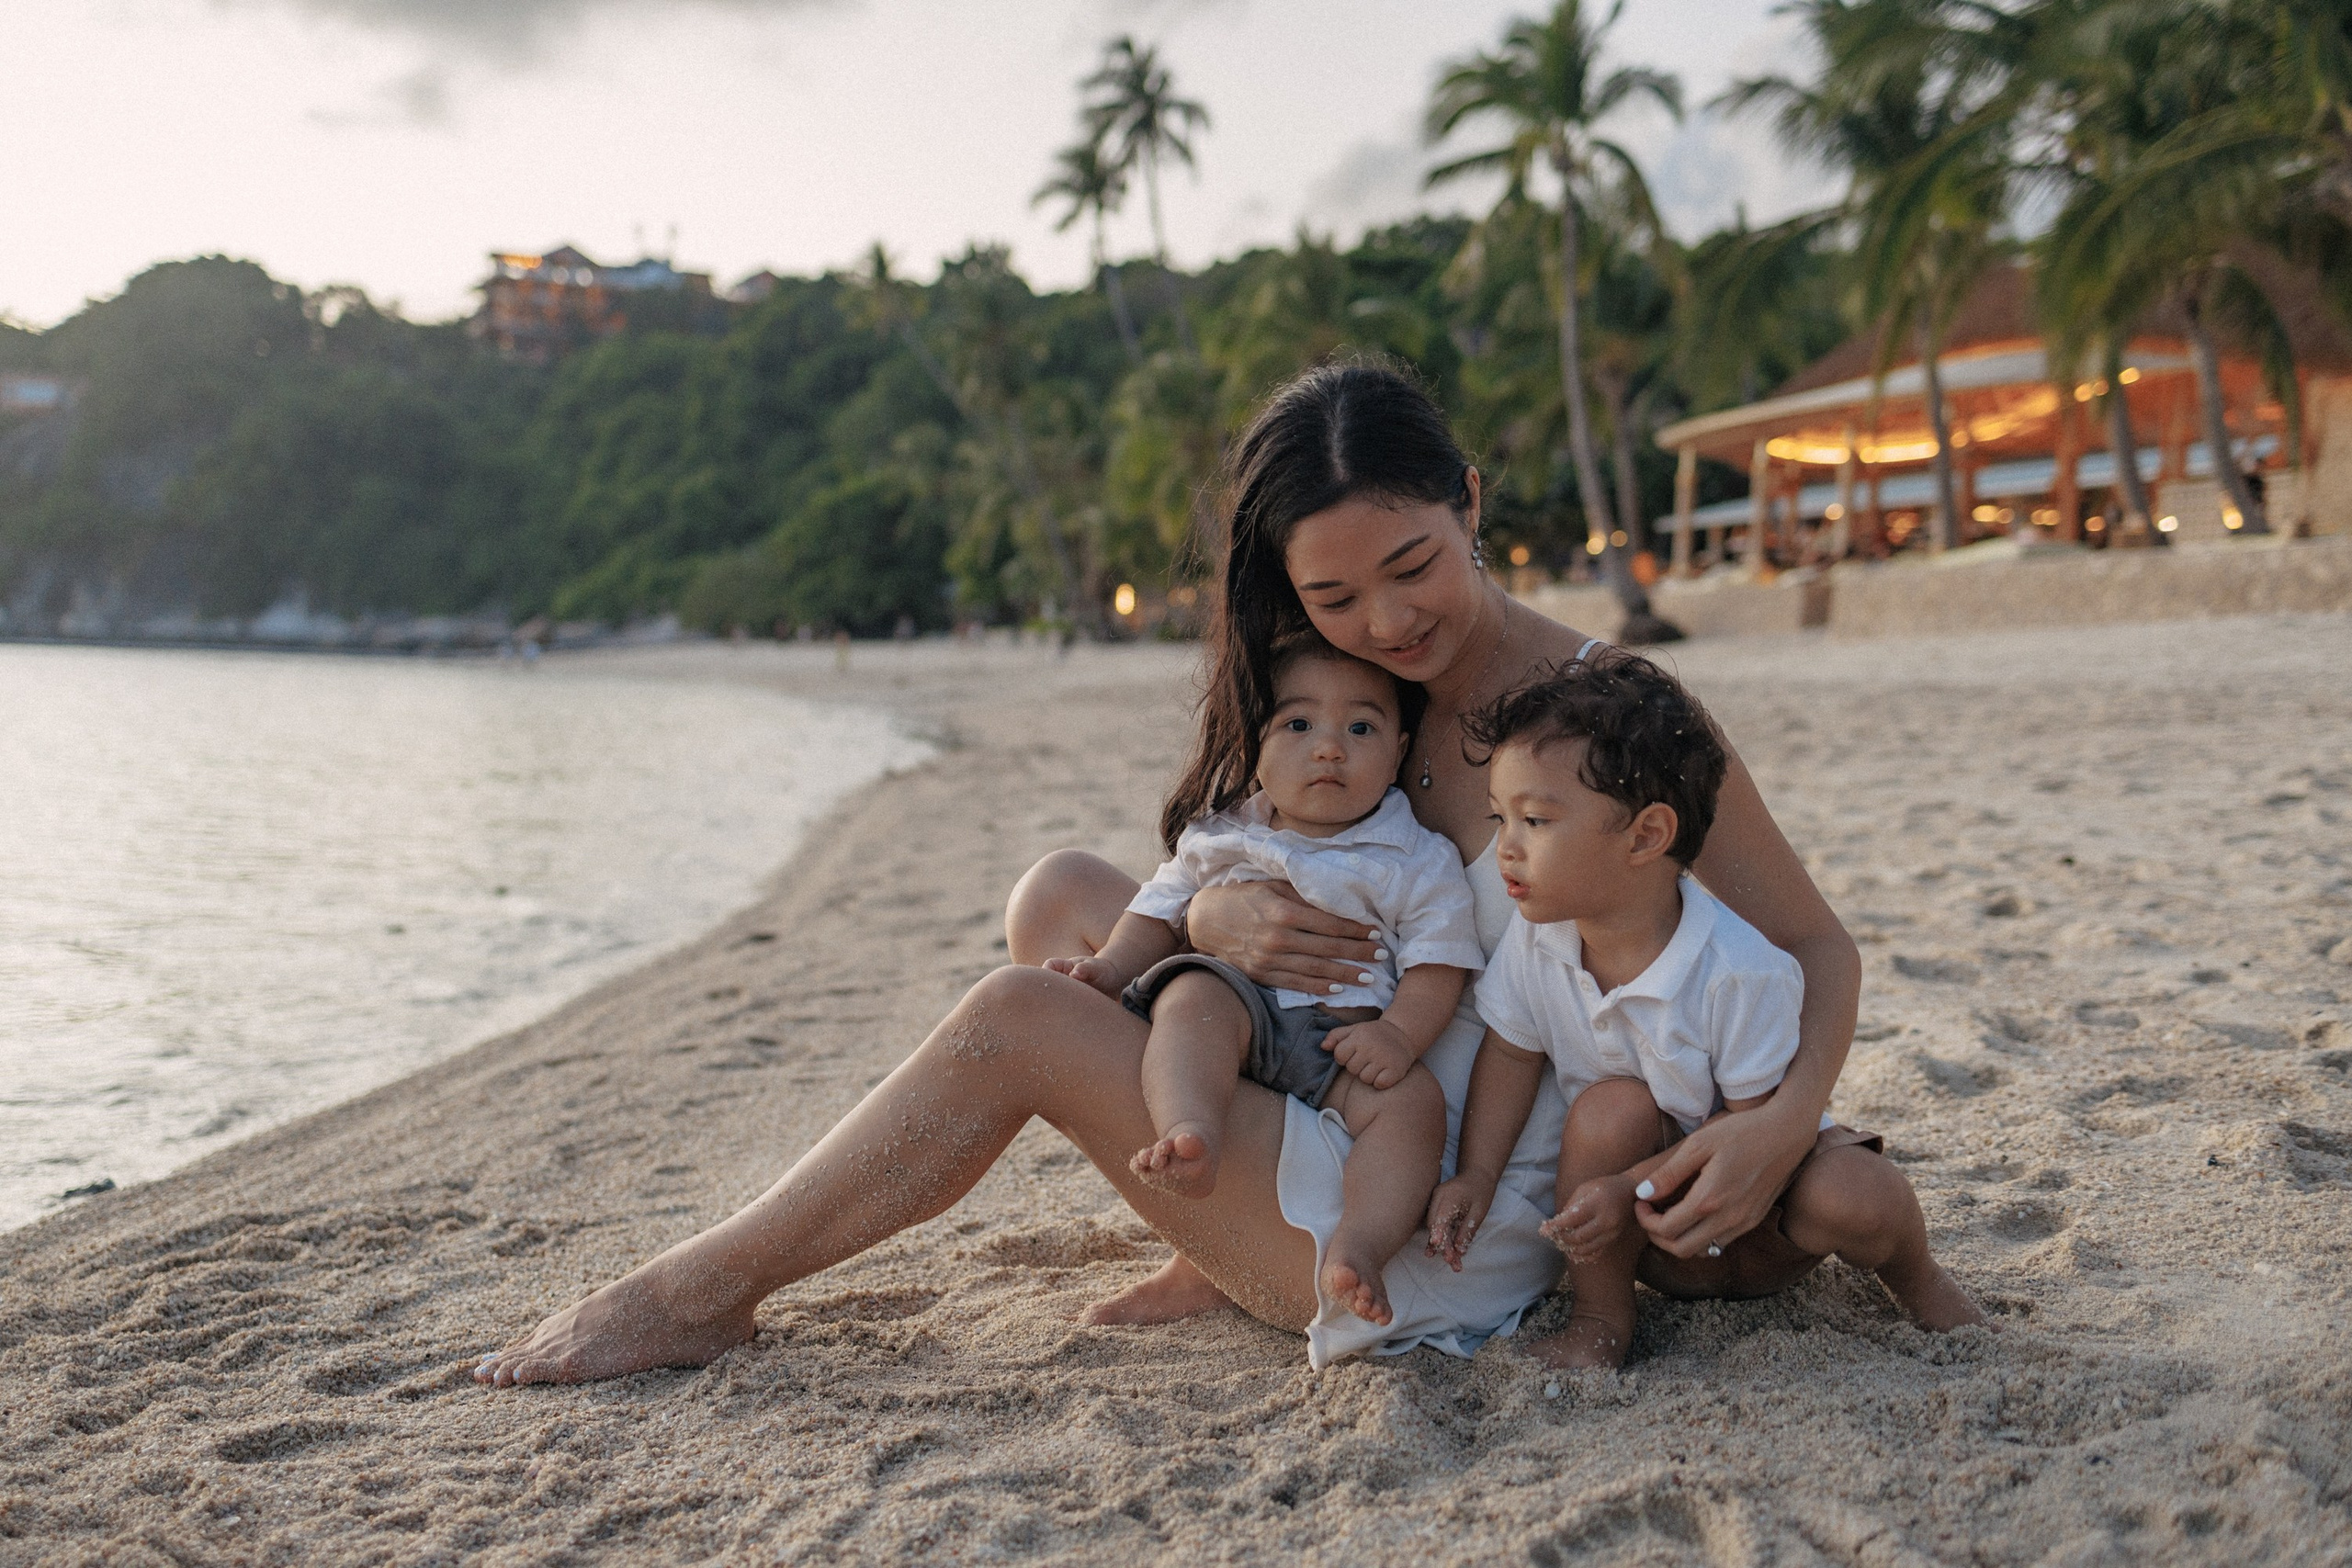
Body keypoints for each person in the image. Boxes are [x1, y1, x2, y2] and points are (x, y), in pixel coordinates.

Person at [472, 361, 1885, 1387]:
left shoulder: (1610, 716)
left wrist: (1781, 1127)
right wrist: (1211, 911)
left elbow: (1818, 947)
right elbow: (1228, 861)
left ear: (1469, 501)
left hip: (1435, 1195)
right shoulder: (1346, 696)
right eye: (1334, 597)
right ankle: (1209, 1233)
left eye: (1413, 566)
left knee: (1019, 1014)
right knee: (1062, 897)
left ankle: (703, 1288)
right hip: (1318, 1070)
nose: (1388, 621)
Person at [1423, 655, 1982, 1370]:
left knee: (1858, 1192)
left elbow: (1755, 1133)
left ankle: (1920, 1279)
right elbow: (1509, 1052)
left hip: (1768, 1218)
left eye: (1534, 820)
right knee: (1606, 1111)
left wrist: (1627, 1185)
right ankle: (1600, 1318)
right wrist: (1476, 1174)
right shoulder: (1538, 942)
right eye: (1499, 817)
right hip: (1653, 1240)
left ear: (1646, 835)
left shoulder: (1737, 968)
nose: (1505, 846)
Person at [1047, 633, 1482, 1328]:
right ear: (1255, 743)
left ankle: (1360, 1245)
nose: (1329, 747)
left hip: (1341, 1042)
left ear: (1399, 749)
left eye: (1361, 728)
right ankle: (1191, 1131)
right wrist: (1113, 964)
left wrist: (1400, 1035)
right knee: (1190, 1000)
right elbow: (1158, 908)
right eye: (1299, 723)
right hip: (1238, 1004)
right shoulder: (1223, 833)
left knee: (1415, 1106)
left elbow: (1440, 962)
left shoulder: (1416, 856)